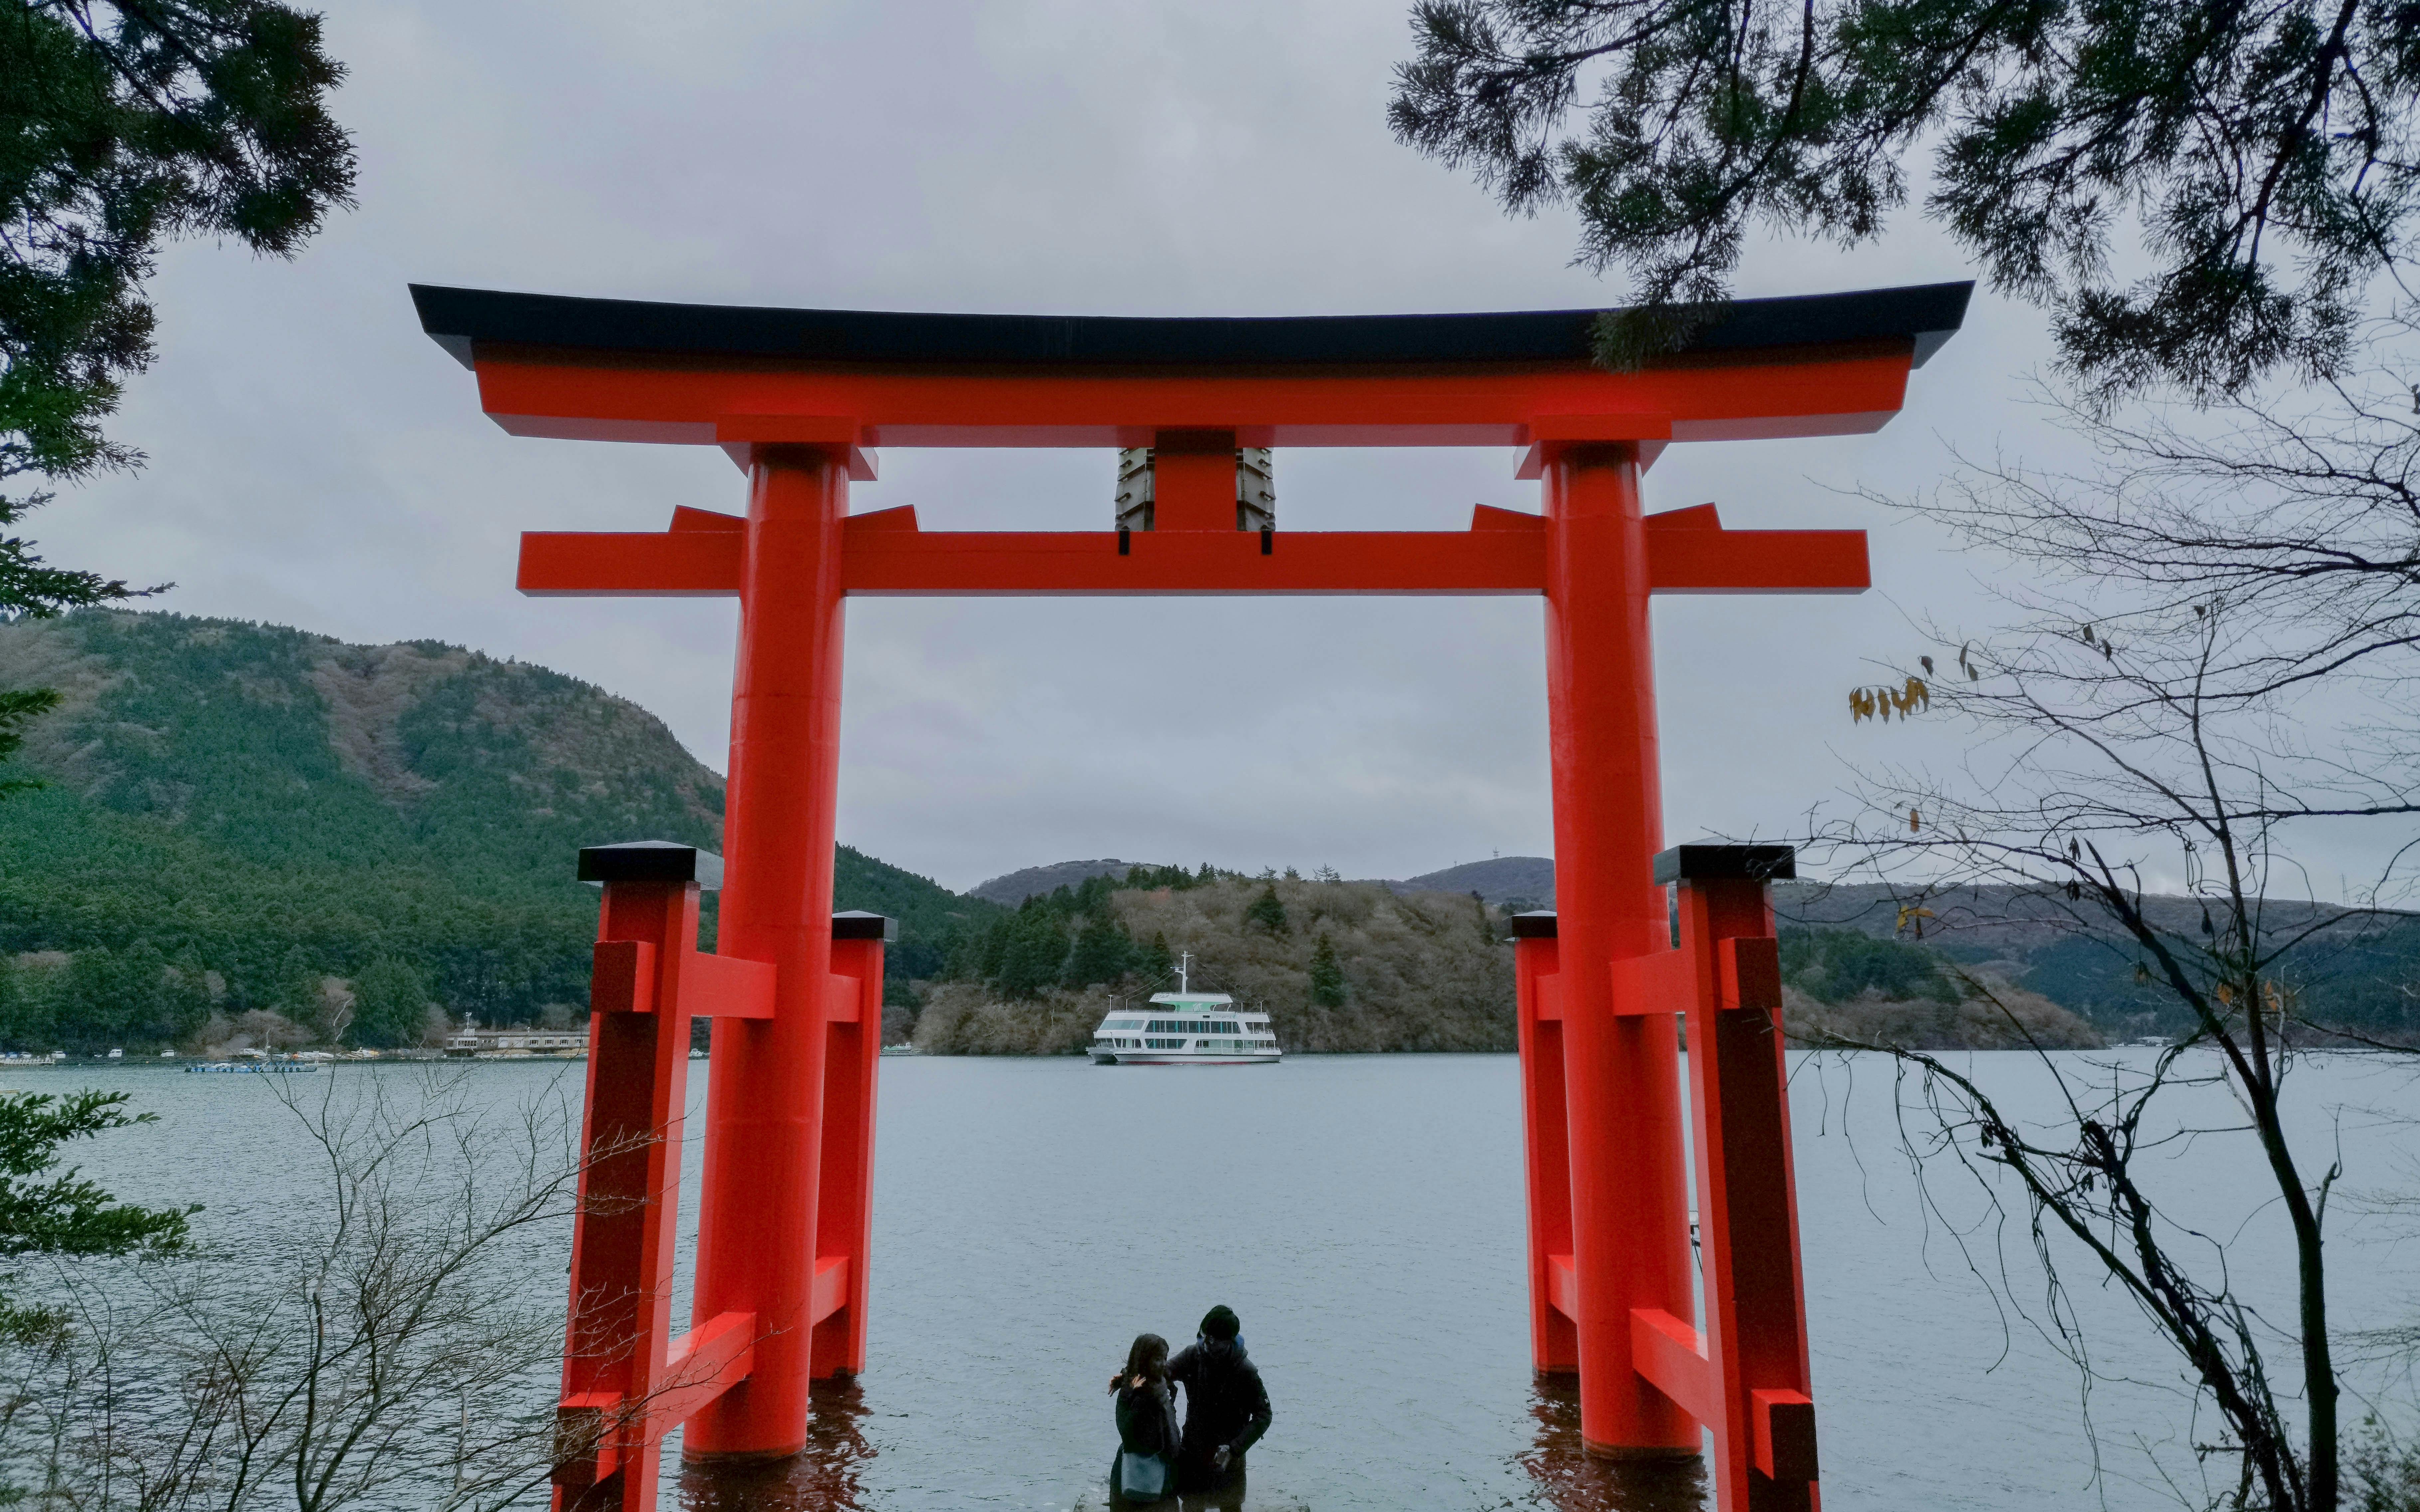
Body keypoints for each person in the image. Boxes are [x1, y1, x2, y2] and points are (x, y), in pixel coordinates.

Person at [1167, 1305, 1271, 1499]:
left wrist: (1235, 1448)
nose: (1206, 1342)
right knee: (1191, 1504)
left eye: (1213, 1339)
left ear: (1229, 1341)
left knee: (1230, 1506)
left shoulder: (1246, 1371)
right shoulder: (1192, 1356)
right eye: (1203, 1335)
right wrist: (1127, 1376)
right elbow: (1160, 1373)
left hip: (1229, 1458)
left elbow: (1264, 1416)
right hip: (1193, 1449)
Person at [1108, 1332, 1180, 1505]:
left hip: (1163, 1472)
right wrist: (1141, 1398)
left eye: (1165, 1358)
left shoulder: (1163, 1386)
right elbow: (1128, 1436)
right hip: (1135, 1475)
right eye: (1158, 1359)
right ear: (1144, 1360)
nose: (1164, 1364)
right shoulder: (1130, 1392)